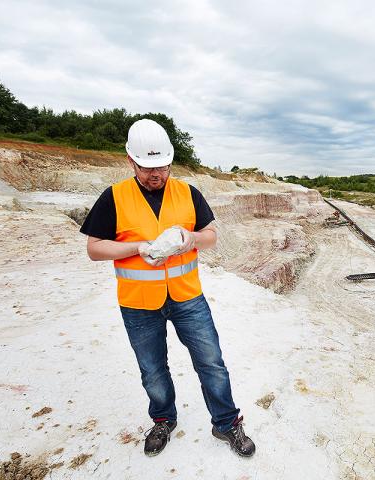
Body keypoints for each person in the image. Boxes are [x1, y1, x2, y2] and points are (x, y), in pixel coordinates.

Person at [79, 118, 255, 458]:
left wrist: (191, 239)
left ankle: (227, 424)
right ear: (130, 161)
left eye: (161, 166)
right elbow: (94, 249)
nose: (155, 174)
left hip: (188, 297)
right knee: (152, 369)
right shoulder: (114, 197)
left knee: (211, 362)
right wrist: (138, 247)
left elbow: (212, 236)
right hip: (139, 304)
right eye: (146, 168)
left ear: (171, 161)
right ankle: (163, 419)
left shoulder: (188, 192)